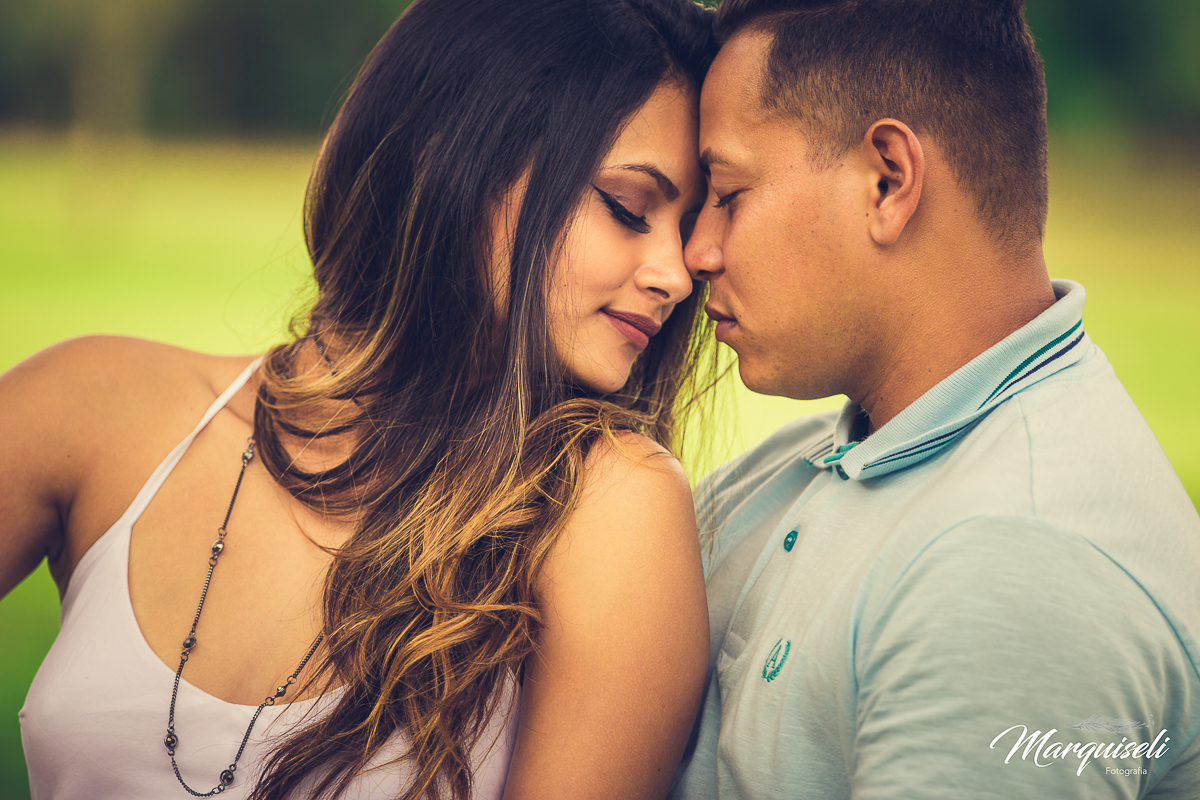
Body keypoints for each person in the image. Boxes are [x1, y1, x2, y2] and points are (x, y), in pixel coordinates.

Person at [2, 0, 721, 797]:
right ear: (461, 157)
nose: (675, 273)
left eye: (687, 224)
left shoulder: (607, 506)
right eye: (629, 206)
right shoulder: (95, 405)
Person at [669, 0, 1200, 798]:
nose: (696, 251)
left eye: (727, 193)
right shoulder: (821, 457)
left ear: (888, 181)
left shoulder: (1018, 559)